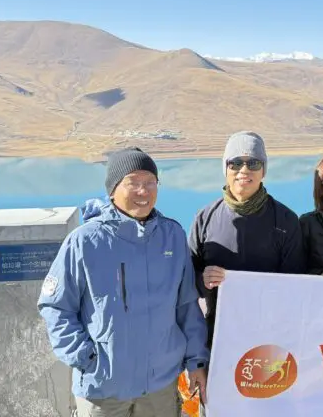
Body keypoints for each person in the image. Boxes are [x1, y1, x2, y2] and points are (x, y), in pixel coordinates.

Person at [38, 147, 208, 417]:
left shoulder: (172, 236)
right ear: (113, 189)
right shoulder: (85, 241)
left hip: (160, 387)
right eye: (134, 183)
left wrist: (196, 361)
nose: (143, 191)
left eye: (150, 182)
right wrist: (87, 358)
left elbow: (186, 305)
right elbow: (56, 307)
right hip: (104, 390)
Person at [188, 131, 306, 347]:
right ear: (225, 169)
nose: (244, 170)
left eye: (253, 163)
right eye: (235, 163)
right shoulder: (205, 217)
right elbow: (186, 279)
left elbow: (295, 285)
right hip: (218, 338)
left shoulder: (286, 220)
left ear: (263, 170)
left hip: (271, 340)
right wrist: (202, 280)